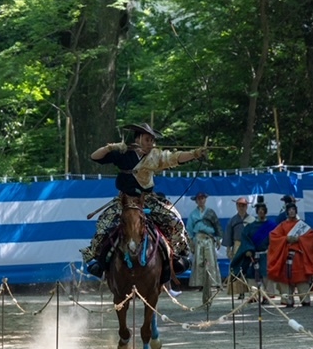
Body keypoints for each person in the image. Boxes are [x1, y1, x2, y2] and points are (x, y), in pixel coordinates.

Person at [80, 123, 206, 279]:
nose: (151, 144)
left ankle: (176, 256)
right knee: (104, 224)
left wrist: (195, 153)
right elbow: (94, 157)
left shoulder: (155, 156)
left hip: (147, 200)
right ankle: (98, 260)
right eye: (147, 140)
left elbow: (175, 157)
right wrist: (110, 147)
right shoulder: (124, 153)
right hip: (125, 201)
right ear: (138, 139)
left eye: (152, 140)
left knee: (174, 219)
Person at [267, 202, 313, 307]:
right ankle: (288, 300)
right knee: (286, 280)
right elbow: (273, 237)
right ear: (287, 212)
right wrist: (286, 239)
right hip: (286, 256)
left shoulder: (302, 225)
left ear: (296, 211)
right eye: (289, 210)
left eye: (293, 209)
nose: (291, 211)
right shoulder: (282, 225)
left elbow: (311, 236)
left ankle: (305, 299)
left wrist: (299, 239)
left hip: (299, 257)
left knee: (302, 280)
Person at [229, 196, 277, 303]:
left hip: (266, 254)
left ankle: (267, 296)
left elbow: (277, 239)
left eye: (263, 210)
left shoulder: (272, 226)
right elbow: (245, 238)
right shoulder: (250, 227)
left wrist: (272, 249)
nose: (261, 212)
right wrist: (248, 249)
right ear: (257, 212)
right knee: (251, 275)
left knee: (266, 274)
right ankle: (254, 295)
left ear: (265, 212)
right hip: (253, 255)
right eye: (259, 210)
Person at [186, 192, 223, 289]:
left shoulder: (210, 212)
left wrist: (218, 239)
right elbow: (189, 230)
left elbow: (217, 226)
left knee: (210, 261)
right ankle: (200, 284)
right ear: (196, 201)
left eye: (202, 198)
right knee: (199, 262)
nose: (201, 200)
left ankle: (212, 283)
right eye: (199, 199)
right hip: (198, 239)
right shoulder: (193, 214)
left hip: (209, 239)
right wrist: (191, 243)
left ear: (205, 199)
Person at [223, 197, 255, 299]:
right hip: (237, 246)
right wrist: (228, 249)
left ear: (247, 207)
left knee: (249, 268)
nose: (241, 207)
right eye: (239, 205)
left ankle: (252, 292)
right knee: (237, 268)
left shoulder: (252, 220)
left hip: (248, 246)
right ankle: (240, 292)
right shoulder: (233, 220)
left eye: (243, 205)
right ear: (237, 206)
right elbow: (228, 235)